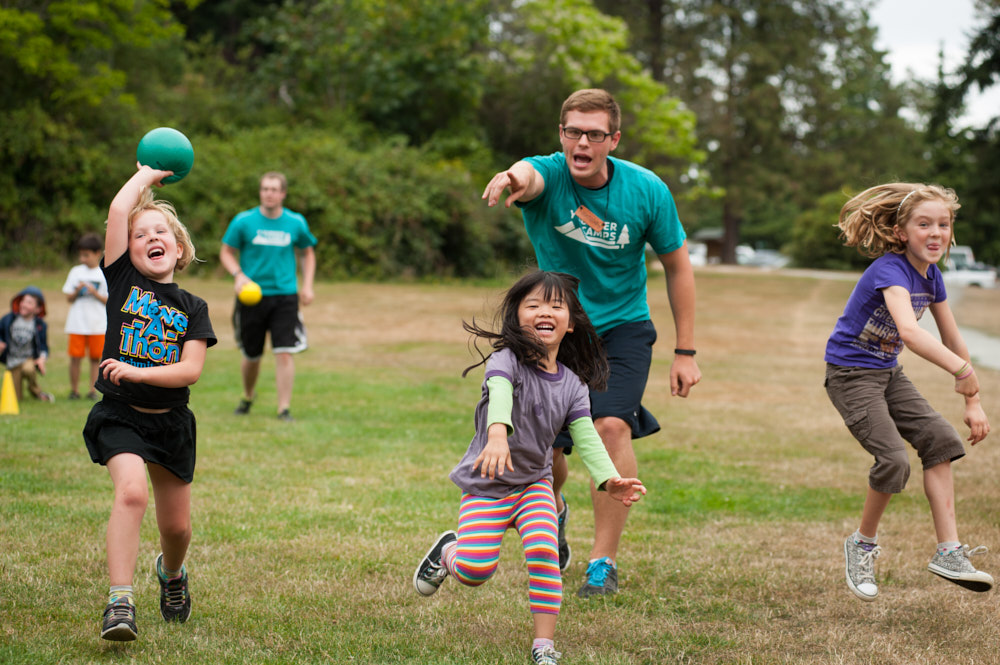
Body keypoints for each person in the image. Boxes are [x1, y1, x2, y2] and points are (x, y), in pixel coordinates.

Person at [481, 88, 701, 597]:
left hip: (623, 328)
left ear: (613, 139)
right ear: (561, 135)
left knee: (608, 426)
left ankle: (602, 563)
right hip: (556, 329)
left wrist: (685, 351)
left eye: (594, 134)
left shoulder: (646, 190)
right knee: (545, 452)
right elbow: (527, 175)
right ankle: (550, 509)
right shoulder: (550, 174)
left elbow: (677, 265)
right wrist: (512, 176)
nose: (582, 142)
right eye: (573, 132)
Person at [412, 271, 646, 665]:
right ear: (517, 317)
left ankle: (544, 646)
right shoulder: (507, 360)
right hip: (488, 483)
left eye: (557, 306)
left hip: (535, 484)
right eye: (533, 304)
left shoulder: (573, 384)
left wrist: (609, 479)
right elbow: (500, 394)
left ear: (570, 323)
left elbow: (586, 435)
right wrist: (498, 434)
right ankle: (449, 552)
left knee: (543, 549)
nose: (545, 311)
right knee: (474, 571)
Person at [825, 183, 992, 602]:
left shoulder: (932, 276)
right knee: (894, 460)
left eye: (943, 224)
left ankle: (949, 552)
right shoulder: (890, 269)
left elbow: (952, 334)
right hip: (850, 374)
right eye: (924, 224)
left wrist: (972, 399)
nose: (935, 233)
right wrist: (961, 369)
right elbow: (911, 333)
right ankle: (861, 545)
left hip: (885, 372)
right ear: (902, 232)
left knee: (941, 440)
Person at [83, 164, 216, 641]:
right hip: (119, 415)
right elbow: (119, 209)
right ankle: (120, 603)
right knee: (132, 493)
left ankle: (172, 575)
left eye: (161, 232)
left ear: (178, 250)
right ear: (128, 250)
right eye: (140, 235)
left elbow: (189, 371)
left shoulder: (193, 308)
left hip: (171, 424)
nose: (150, 238)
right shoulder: (121, 282)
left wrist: (137, 369)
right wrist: (145, 178)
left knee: (176, 528)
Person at [219, 171, 316, 421]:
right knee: (252, 356)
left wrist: (307, 285)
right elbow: (227, 252)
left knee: (284, 351)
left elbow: (307, 253)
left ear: (283, 193)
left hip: (285, 295)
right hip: (252, 297)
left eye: (274, 189)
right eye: (265, 189)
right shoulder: (243, 221)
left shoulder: (296, 222)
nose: (269, 194)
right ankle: (248, 396)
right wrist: (238, 275)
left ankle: (284, 408)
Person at [62, 232, 109, 400]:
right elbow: (68, 297)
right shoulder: (75, 272)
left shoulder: (104, 273)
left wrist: (94, 292)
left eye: (86, 255)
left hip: (97, 324)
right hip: (77, 323)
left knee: (96, 358)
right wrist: (77, 290)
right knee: (75, 357)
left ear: (98, 254)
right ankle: (74, 390)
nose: (83, 259)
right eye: (81, 255)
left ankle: (92, 390)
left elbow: (108, 300)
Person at [0, 286, 54, 403]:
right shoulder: (8, 320)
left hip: (28, 360)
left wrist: (41, 358)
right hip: (12, 362)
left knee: (29, 369)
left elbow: (44, 345)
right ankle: (23, 391)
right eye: (23, 301)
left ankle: (36, 391)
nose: (24, 304)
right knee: (15, 399)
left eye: (29, 303)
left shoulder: (40, 325)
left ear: (38, 309)